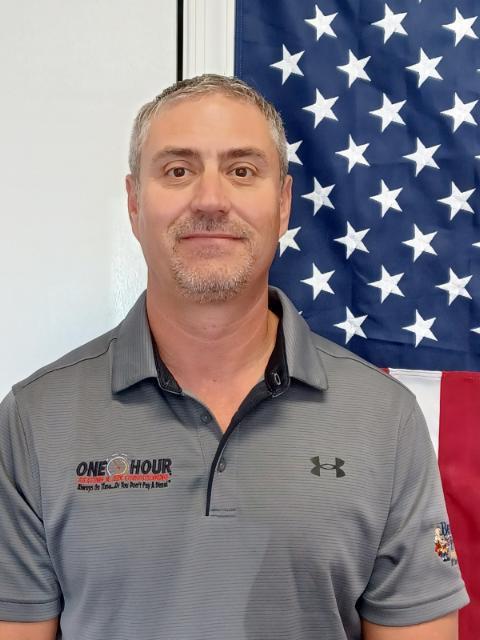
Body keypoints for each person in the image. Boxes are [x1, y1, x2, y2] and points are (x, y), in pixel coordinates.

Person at [0, 74, 469, 640]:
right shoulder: (33, 420)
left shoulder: (384, 418)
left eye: (242, 171)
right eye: (178, 170)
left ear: (283, 203)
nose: (210, 200)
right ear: (134, 203)